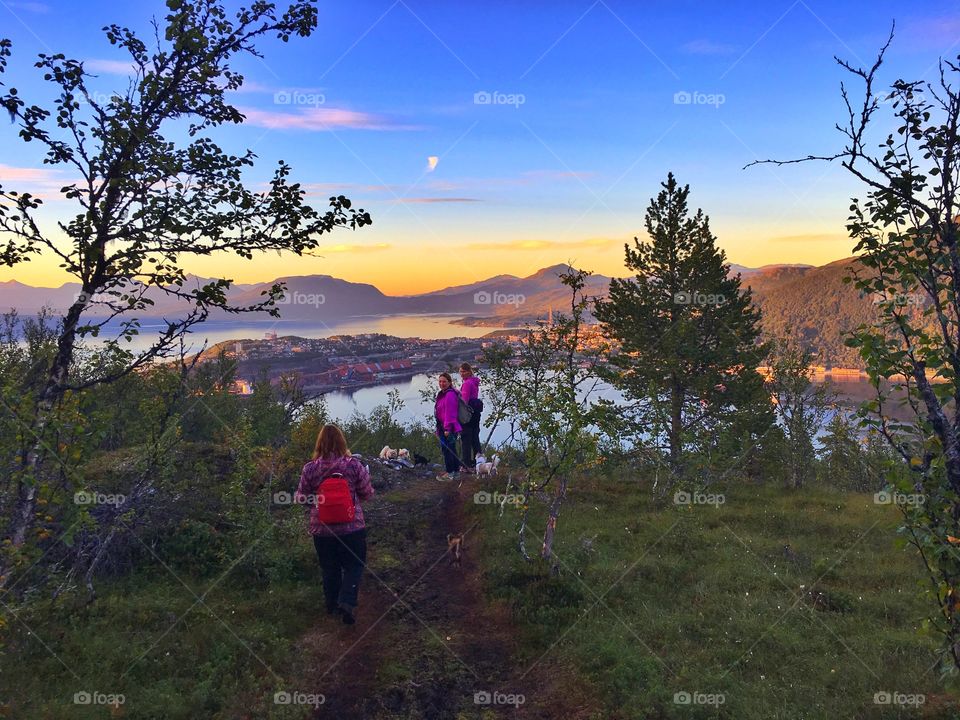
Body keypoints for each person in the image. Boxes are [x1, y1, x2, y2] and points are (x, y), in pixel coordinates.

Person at [295, 424, 374, 625]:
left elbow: (302, 497)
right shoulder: (354, 465)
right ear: (342, 442)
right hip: (352, 527)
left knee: (329, 567)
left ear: (319, 443)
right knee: (354, 565)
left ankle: (331, 606)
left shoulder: (310, 468)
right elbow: (367, 492)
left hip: (322, 529)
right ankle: (347, 601)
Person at [434, 372, 462, 481]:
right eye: (440, 381)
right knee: (451, 449)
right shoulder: (443, 393)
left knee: (447, 451)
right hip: (443, 427)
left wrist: (447, 429)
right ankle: (455, 472)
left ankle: (450, 474)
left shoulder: (449, 394)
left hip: (448, 428)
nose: (442, 383)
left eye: (444, 381)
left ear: (449, 382)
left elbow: (450, 413)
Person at [459, 362, 483, 471]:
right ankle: (479, 462)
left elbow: (464, 401)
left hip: (468, 415)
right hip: (476, 414)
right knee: (475, 438)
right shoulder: (474, 382)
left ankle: (467, 464)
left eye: (464, 371)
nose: (461, 373)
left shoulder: (467, 384)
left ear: (469, 372)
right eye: (460, 371)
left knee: (466, 439)